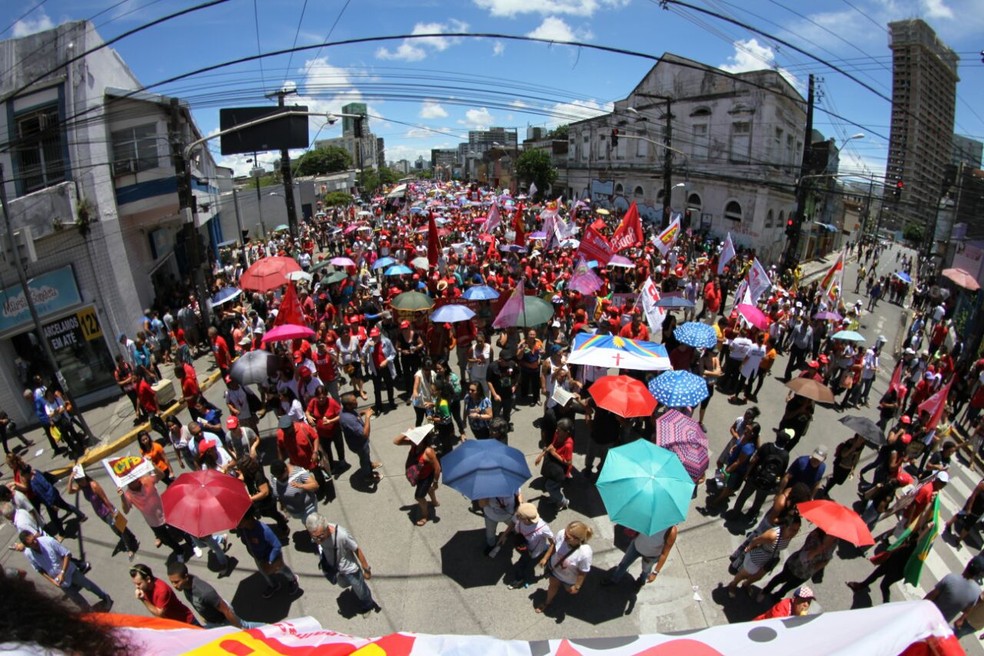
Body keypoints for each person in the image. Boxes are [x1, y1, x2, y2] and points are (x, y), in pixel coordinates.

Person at [19, 530, 113, 612]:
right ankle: (91, 613)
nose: (35, 541)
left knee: (88, 585)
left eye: (34, 538)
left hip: (69, 572)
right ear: (28, 546)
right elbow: (39, 569)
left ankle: (105, 597)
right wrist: (52, 581)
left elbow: (67, 554)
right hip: (59, 581)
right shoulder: (29, 554)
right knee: (77, 599)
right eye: (32, 543)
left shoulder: (49, 541)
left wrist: (62, 572)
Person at [305, 513, 380, 615]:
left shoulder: (342, 535)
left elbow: (357, 550)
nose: (318, 540)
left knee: (361, 591)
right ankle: (358, 586)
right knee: (343, 584)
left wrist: (366, 569)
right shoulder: (317, 536)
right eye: (315, 537)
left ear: (326, 528)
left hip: (350, 570)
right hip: (336, 569)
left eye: (320, 536)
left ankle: (367, 604)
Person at [67, 465, 140, 561]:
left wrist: (112, 512)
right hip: (101, 514)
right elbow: (70, 491)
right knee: (120, 529)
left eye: (82, 478)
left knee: (119, 530)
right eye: (79, 480)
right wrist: (70, 479)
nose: (82, 481)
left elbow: (105, 499)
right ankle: (131, 538)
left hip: (108, 511)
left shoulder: (93, 485)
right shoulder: (82, 487)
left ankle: (129, 548)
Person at [119, 471, 194, 562]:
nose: (137, 480)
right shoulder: (128, 495)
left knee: (181, 529)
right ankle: (179, 552)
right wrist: (122, 497)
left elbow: (161, 475)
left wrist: (153, 465)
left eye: (136, 478)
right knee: (167, 539)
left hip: (166, 512)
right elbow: (126, 510)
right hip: (153, 522)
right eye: (133, 480)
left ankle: (193, 544)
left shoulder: (146, 480)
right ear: (129, 483)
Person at [167, 561, 256, 628]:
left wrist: (240, 628)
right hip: (212, 622)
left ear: (186, 577)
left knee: (246, 626)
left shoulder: (205, 592)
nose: (174, 585)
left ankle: (267, 628)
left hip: (224, 619)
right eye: (172, 582)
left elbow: (226, 611)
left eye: (176, 582)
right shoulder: (184, 586)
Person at [759, 527, 837, 601]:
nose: (833, 538)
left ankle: (777, 596)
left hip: (806, 573)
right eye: (831, 536)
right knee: (780, 578)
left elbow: (828, 557)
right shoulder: (814, 537)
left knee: (789, 586)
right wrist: (817, 551)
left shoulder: (834, 542)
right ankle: (765, 591)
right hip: (794, 565)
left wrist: (823, 563)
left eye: (834, 536)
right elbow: (803, 557)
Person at [237, 513, 301, 599]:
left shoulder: (264, 530)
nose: (238, 523)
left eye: (241, 520)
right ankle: (273, 585)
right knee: (265, 573)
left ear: (249, 519)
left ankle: (292, 579)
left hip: (271, 557)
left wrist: (270, 561)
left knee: (281, 569)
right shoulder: (244, 530)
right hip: (259, 558)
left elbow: (277, 545)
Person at [535, 520, 593, 614]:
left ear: (578, 539)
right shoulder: (562, 533)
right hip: (555, 571)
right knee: (553, 586)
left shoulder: (585, 553)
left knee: (569, 590)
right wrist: (545, 558)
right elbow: (554, 545)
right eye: (565, 533)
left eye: (568, 537)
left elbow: (583, 571)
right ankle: (547, 602)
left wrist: (577, 586)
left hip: (570, 579)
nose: (564, 536)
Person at [495, 503, 554, 590]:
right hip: (523, 545)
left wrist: (545, 558)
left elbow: (553, 543)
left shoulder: (542, 528)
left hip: (533, 551)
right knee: (543, 551)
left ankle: (519, 580)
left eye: (519, 517)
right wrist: (505, 535)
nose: (517, 517)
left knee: (521, 565)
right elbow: (512, 523)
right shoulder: (519, 516)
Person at [603, 524, 678, 588]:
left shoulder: (671, 532)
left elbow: (665, 553)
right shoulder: (650, 516)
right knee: (623, 564)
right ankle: (614, 579)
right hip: (635, 546)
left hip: (650, 557)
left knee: (645, 571)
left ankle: (641, 581)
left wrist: (655, 572)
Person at [394, 428, 441, 526]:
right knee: (427, 489)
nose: (411, 439)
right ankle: (434, 502)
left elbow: (437, 468)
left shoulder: (428, 452)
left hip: (426, 477)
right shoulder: (414, 444)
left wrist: (436, 482)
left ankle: (425, 516)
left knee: (419, 497)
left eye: (414, 438)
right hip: (419, 476)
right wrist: (406, 432)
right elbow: (396, 441)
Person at [129, 563, 197, 625]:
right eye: (135, 583)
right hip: (173, 625)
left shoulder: (162, 590)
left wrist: (143, 599)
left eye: (139, 583)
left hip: (186, 622)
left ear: (148, 579)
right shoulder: (145, 588)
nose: (136, 587)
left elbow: (159, 614)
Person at [535, 418, 575, 510]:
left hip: (560, 470)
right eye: (557, 428)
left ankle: (563, 501)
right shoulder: (558, 434)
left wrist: (554, 454)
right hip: (553, 465)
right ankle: (555, 498)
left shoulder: (568, 444)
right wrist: (541, 455)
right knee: (553, 487)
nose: (556, 431)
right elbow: (552, 445)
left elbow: (568, 462)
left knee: (549, 486)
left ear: (567, 432)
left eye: (559, 430)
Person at [269, 459, 319, 523]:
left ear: (285, 469)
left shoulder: (298, 473)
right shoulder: (275, 475)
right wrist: (282, 503)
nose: (278, 479)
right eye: (276, 477)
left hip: (307, 509)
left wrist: (301, 486)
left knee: (313, 527)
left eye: (280, 477)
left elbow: (315, 485)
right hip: (294, 511)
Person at [362, 326, 396, 414]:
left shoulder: (386, 341)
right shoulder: (369, 342)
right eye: (372, 336)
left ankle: (391, 402)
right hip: (375, 369)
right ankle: (378, 406)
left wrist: (386, 361)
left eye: (376, 336)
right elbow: (363, 353)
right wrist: (367, 347)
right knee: (377, 388)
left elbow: (393, 353)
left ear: (380, 335)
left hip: (385, 368)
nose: (374, 338)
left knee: (389, 385)